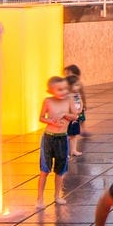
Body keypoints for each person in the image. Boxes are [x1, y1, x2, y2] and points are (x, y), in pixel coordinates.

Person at [35, 76, 73, 206]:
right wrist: (50, 121)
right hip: (49, 138)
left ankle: (57, 195)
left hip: (62, 138)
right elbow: (41, 117)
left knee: (60, 170)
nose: (63, 92)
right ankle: (39, 198)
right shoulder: (47, 101)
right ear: (51, 91)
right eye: (59, 89)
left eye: (64, 89)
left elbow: (75, 115)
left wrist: (65, 115)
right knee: (44, 170)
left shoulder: (69, 100)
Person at [64, 64, 88, 157]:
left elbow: (80, 101)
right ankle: (66, 152)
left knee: (74, 135)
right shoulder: (68, 96)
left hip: (76, 117)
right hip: (69, 118)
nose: (78, 87)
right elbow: (69, 107)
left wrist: (81, 107)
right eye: (76, 85)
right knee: (68, 136)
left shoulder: (77, 94)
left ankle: (73, 150)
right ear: (69, 86)